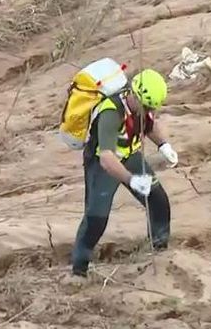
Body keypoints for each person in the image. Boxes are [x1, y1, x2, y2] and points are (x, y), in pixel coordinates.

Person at [69, 69, 179, 279]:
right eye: (146, 106)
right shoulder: (111, 113)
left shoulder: (141, 108)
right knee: (96, 218)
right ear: (134, 95)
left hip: (131, 156)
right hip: (104, 166)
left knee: (158, 200)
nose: (149, 110)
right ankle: (78, 270)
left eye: (151, 107)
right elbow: (107, 158)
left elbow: (149, 124)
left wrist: (164, 145)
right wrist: (132, 180)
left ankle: (158, 249)